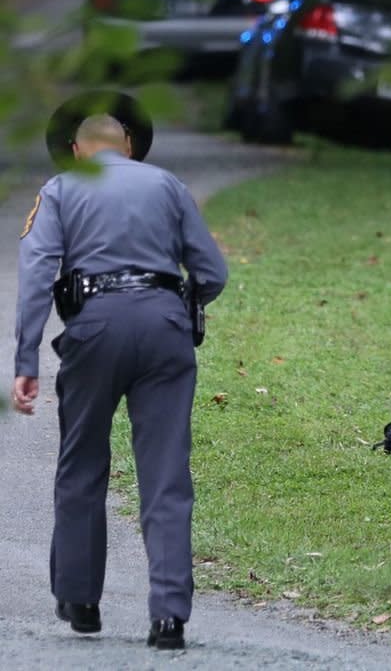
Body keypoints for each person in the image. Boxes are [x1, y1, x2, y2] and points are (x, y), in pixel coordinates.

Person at [12, 97, 228, 651]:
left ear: (78, 151)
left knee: (82, 462)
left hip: (95, 329)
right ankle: (169, 616)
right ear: (129, 146)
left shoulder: (60, 190)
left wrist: (26, 360)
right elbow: (212, 272)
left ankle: (82, 603)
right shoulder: (168, 186)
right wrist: (182, 307)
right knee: (165, 473)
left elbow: (38, 274)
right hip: (164, 328)